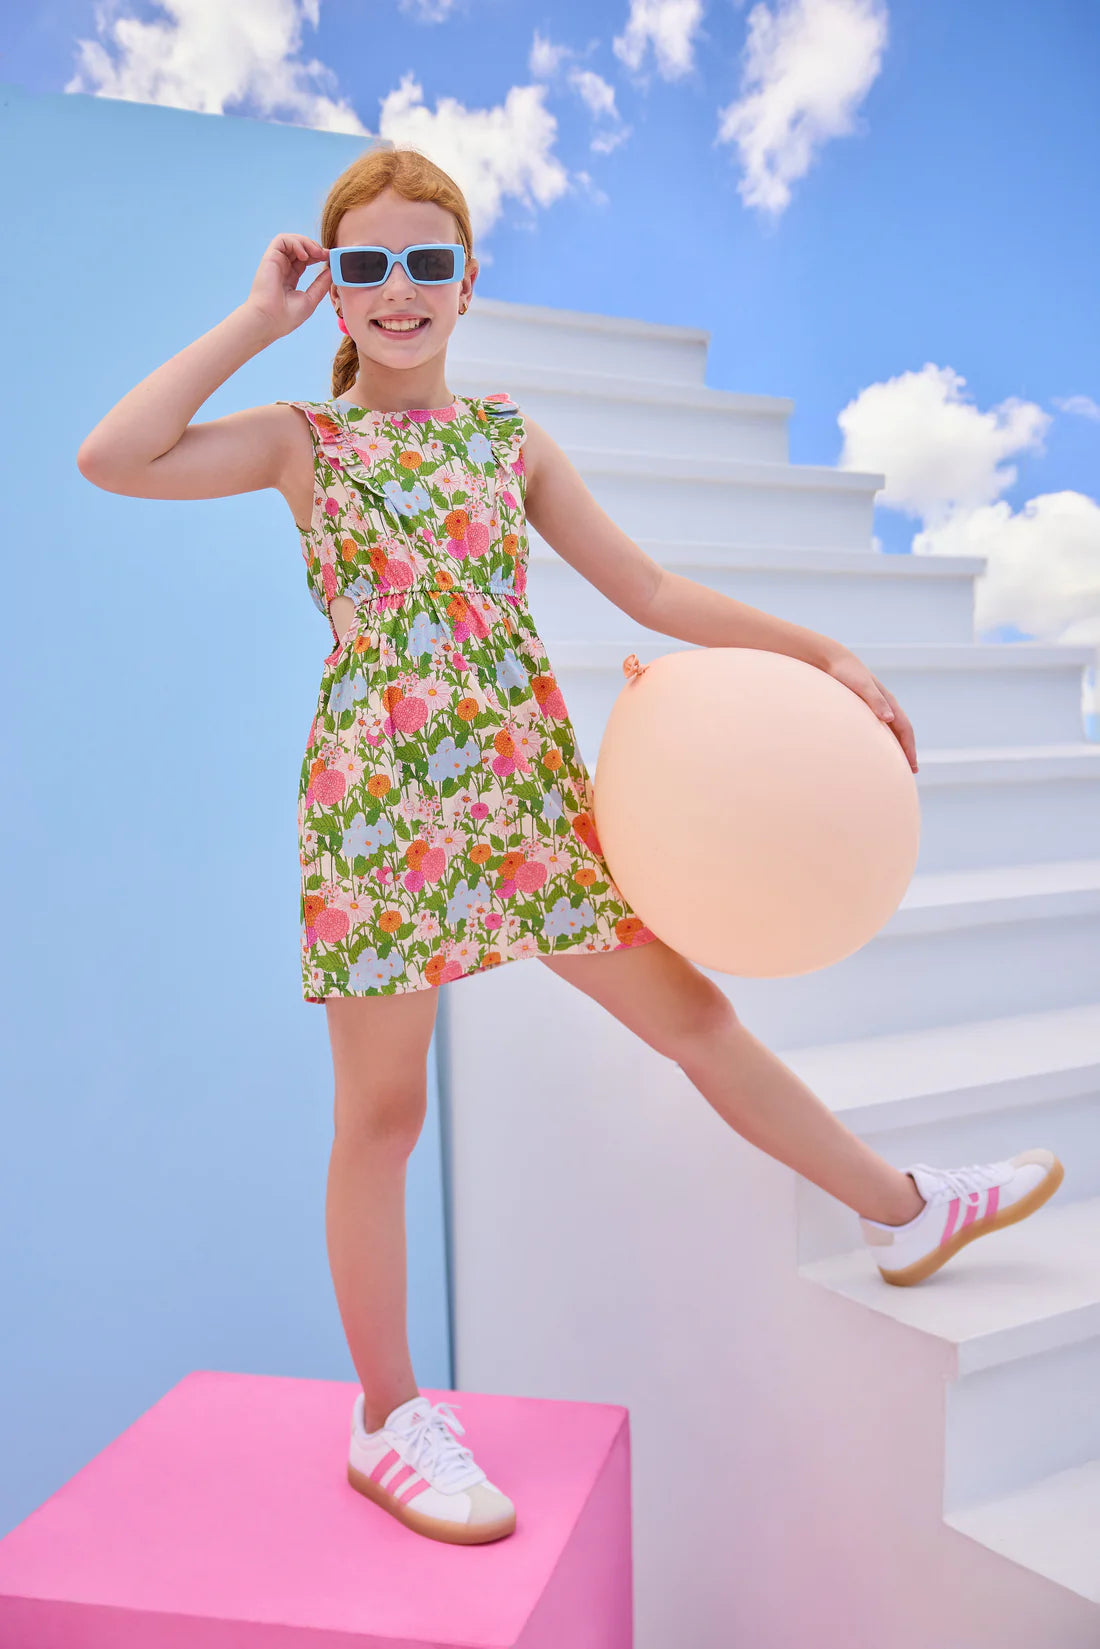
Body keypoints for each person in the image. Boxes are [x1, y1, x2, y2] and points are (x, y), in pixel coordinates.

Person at [76, 144, 1064, 1548]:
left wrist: (822, 649)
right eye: (368, 267)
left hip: (528, 797)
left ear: (469, 285)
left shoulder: (510, 441)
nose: (399, 289)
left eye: (428, 263)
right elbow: (113, 458)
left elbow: (650, 586)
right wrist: (256, 320)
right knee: (383, 1114)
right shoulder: (305, 439)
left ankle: (901, 1210)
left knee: (696, 1017)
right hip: (381, 809)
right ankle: (387, 1413)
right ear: (337, 290)